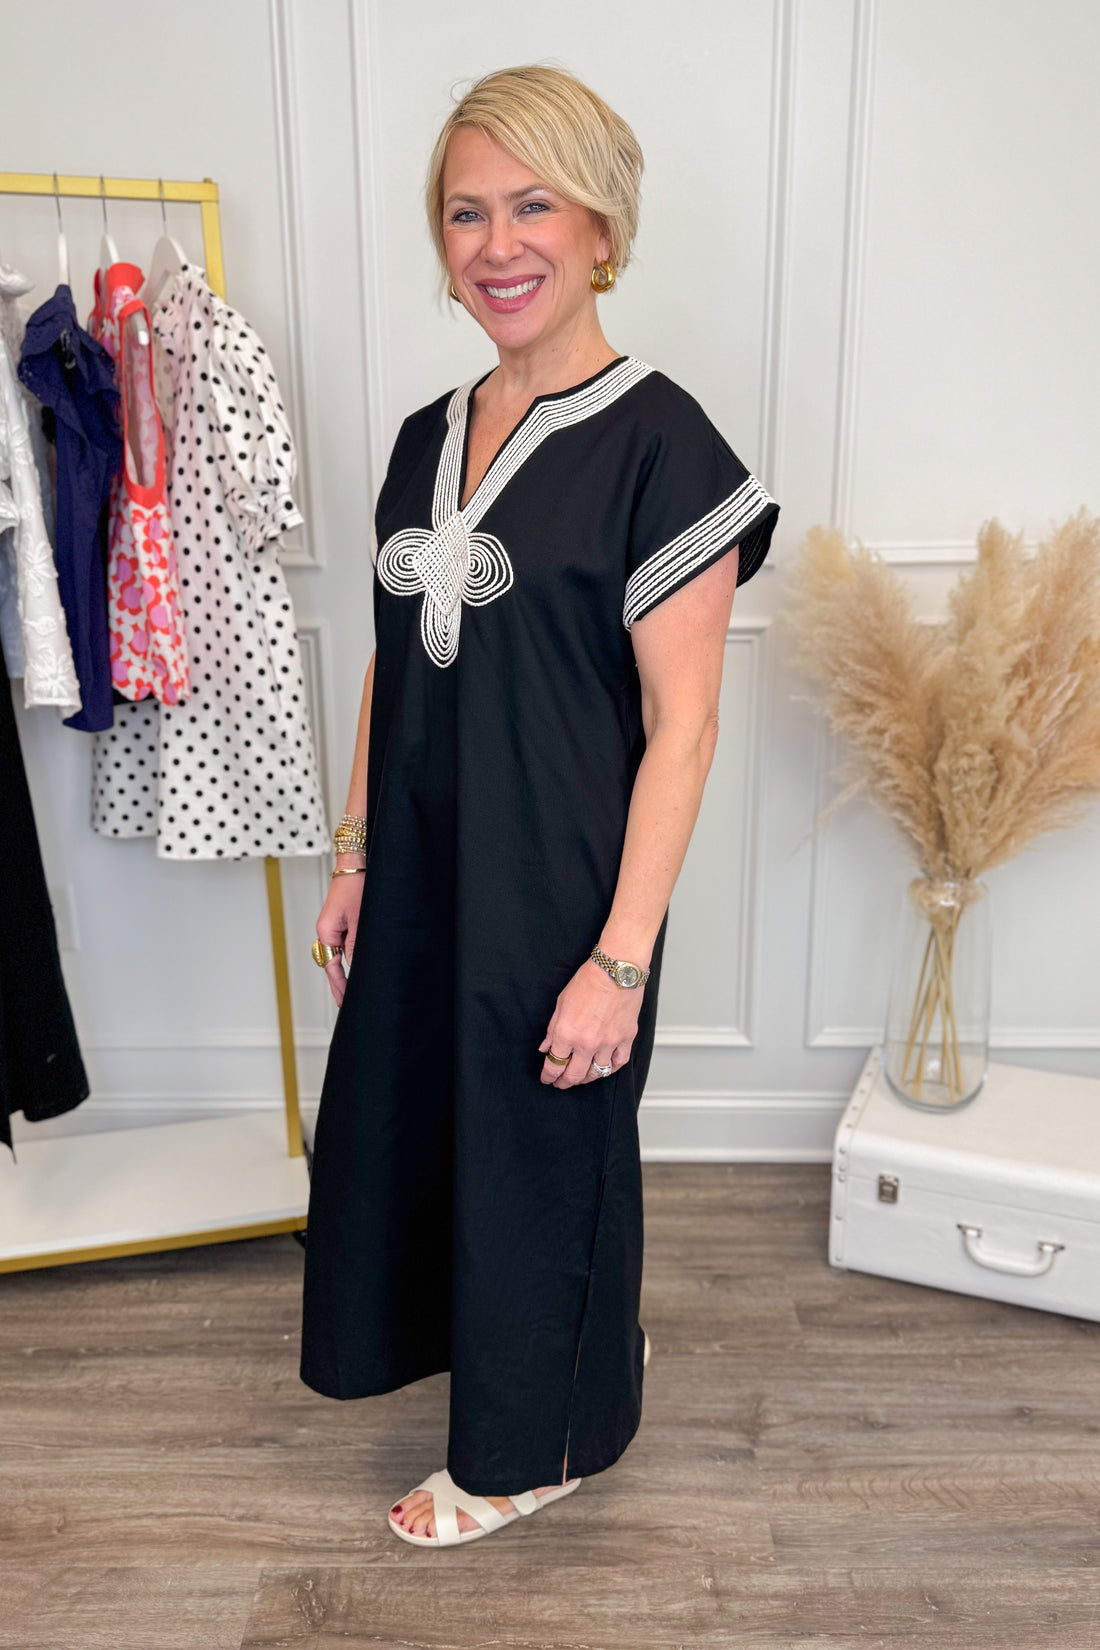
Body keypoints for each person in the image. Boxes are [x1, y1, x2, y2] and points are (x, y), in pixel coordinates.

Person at [299, 63, 780, 1548]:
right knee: (424, 1124)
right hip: (427, 868)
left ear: (601, 226)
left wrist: (620, 952)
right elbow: (393, 666)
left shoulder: (664, 446)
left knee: (539, 1147)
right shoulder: (421, 435)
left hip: (560, 882)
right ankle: (561, 1361)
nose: (498, 244)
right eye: (466, 213)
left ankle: (536, 1448)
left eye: (533, 207)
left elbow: (685, 730)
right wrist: (358, 849)